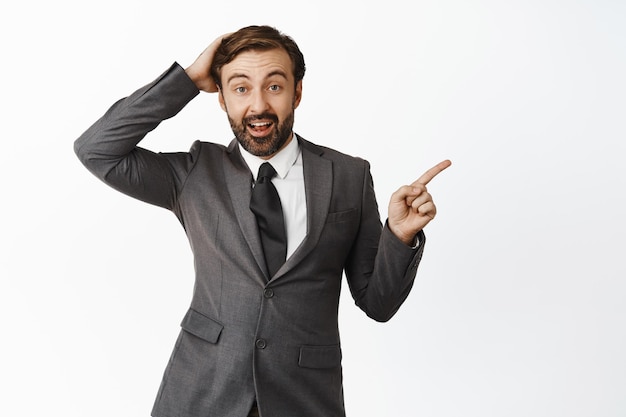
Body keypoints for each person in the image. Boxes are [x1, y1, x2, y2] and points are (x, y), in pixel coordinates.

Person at [74, 25, 451, 417]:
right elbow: (97, 150)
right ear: (221, 99)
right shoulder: (195, 174)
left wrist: (400, 235)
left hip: (304, 398)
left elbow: (378, 303)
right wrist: (186, 81)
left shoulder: (348, 176)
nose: (258, 106)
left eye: (274, 86)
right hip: (203, 392)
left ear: (297, 92)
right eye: (240, 88)